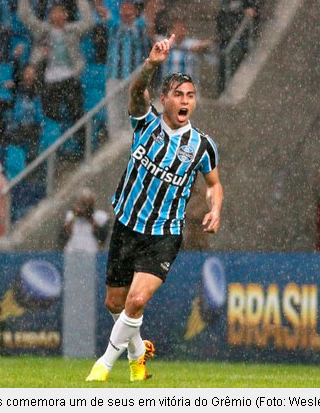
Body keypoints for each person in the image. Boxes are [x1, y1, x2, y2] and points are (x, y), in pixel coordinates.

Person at [86, 34, 223, 382]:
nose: (185, 101)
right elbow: (135, 92)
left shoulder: (202, 145)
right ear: (163, 99)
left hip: (164, 233)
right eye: (178, 94)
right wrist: (151, 64)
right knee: (115, 304)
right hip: (127, 224)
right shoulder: (145, 124)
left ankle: (102, 365)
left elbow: (214, 185)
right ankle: (137, 355)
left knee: (136, 301)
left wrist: (215, 208)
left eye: (190, 96)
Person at [17, 0, 93, 157]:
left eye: (61, 12)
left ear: (66, 15)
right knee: (51, 117)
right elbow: (24, 15)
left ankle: (82, 151)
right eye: (54, 12)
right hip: (50, 81)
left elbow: (89, 22)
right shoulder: (43, 31)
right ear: (50, 15)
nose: (58, 15)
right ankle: (53, 152)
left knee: (77, 114)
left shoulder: (72, 30)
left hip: (70, 77)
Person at [95, 0, 150, 138]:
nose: (126, 12)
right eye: (123, 9)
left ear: (135, 12)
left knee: (131, 111)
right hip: (114, 76)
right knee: (114, 112)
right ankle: (116, 142)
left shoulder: (140, 27)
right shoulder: (114, 26)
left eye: (129, 9)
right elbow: (101, 8)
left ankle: (131, 142)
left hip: (134, 78)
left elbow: (151, 13)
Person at [156, 18, 212, 84]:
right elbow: (153, 38)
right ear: (171, 31)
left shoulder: (190, 43)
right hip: (169, 83)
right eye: (177, 29)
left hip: (187, 84)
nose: (180, 31)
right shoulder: (165, 42)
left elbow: (208, 43)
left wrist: (198, 47)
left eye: (182, 28)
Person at [61, 187, 109, 253]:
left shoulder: (100, 216)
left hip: (91, 253)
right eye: (82, 204)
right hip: (72, 252)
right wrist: (75, 216)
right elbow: (64, 235)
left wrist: (88, 216)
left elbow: (101, 237)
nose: (85, 207)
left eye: (87, 205)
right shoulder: (71, 216)